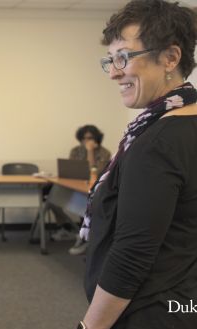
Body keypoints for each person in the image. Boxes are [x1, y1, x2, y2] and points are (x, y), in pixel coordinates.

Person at [78, 1, 197, 328]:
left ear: (170, 58)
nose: (114, 72)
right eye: (111, 60)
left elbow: (131, 257)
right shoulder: (184, 125)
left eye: (124, 58)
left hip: (147, 312)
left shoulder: (157, 142)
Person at [53, 125, 113, 255]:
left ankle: (85, 238)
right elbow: (70, 169)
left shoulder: (104, 153)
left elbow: (94, 172)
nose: (86, 141)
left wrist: (90, 151)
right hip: (75, 186)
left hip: (93, 189)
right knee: (53, 198)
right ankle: (66, 228)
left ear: (96, 138)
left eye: (90, 138)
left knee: (85, 205)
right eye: (83, 138)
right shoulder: (75, 150)